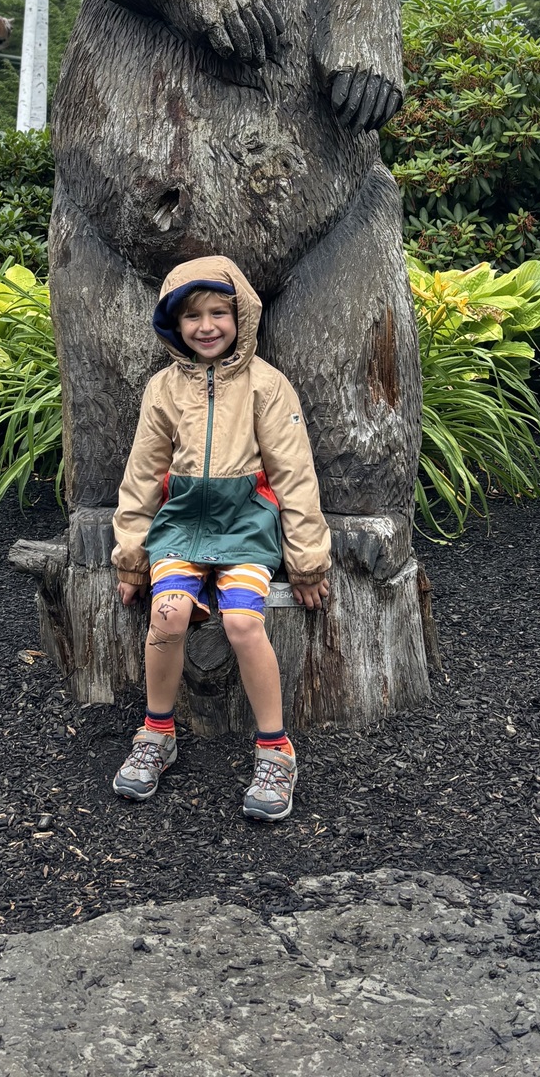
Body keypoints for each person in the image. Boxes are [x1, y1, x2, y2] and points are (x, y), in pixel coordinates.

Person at [109, 254, 331, 821]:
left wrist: (307, 560)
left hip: (245, 525)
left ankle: (275, 748)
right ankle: (157, 733)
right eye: (192, 317)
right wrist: (132, 554)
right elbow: (141, 473)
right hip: (181, 523)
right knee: (169, 614)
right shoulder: (163, 388)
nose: (206, 326)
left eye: (219, 313)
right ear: (173, 326)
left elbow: (294, 473)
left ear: (242, 317)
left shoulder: (266, 385)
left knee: (241, 622)